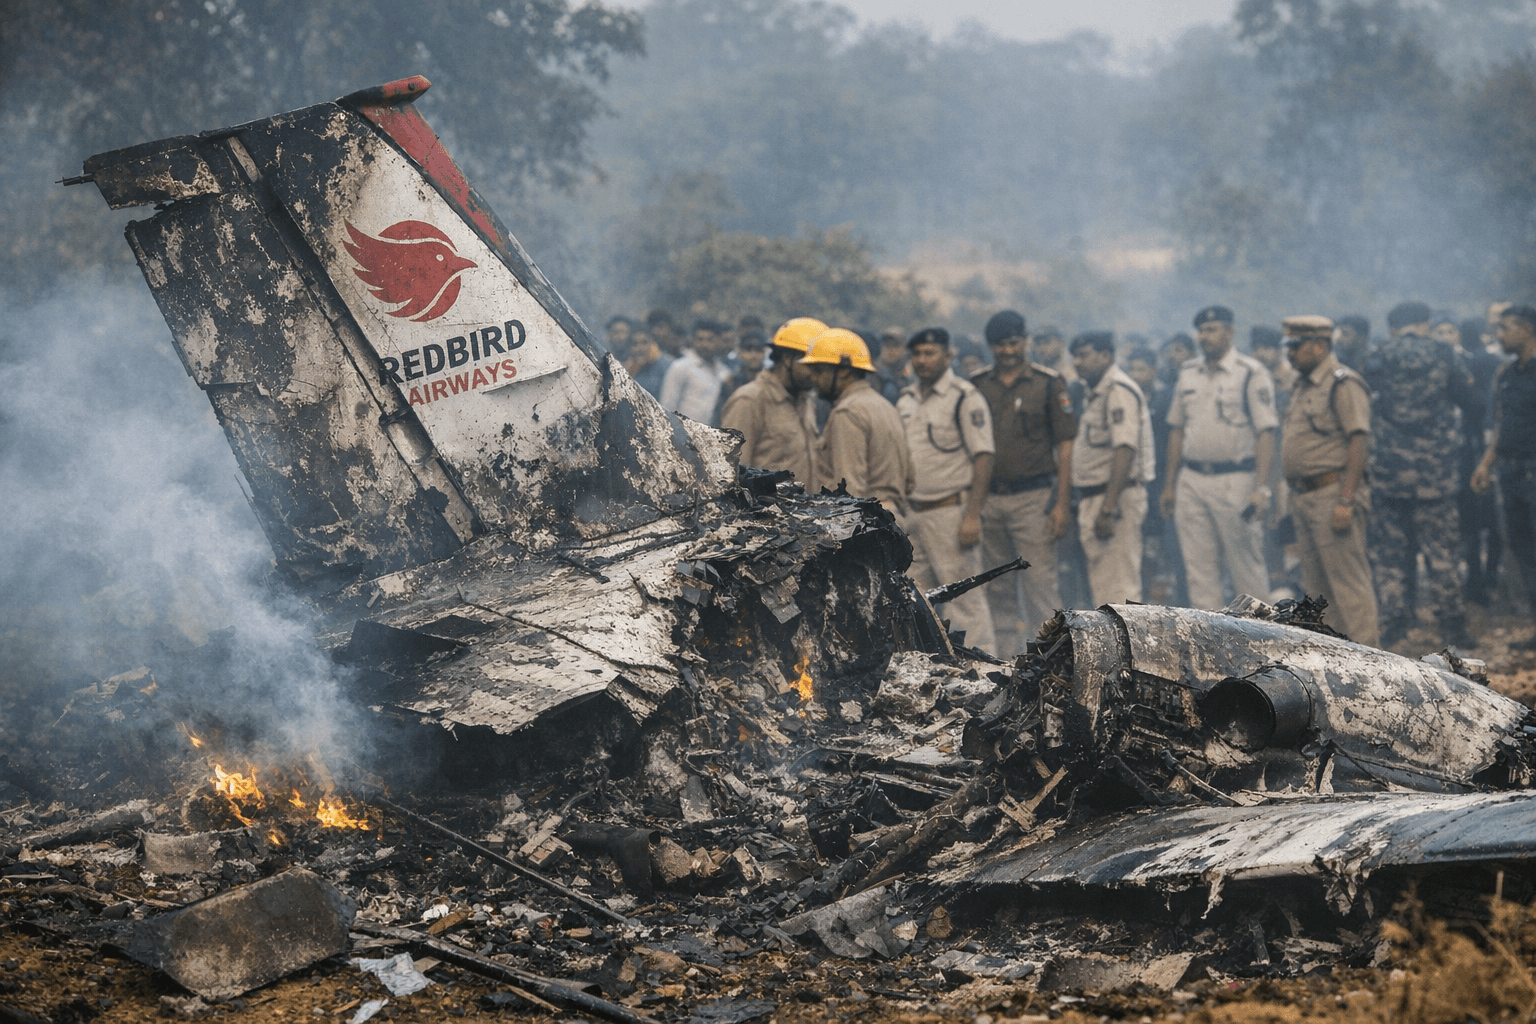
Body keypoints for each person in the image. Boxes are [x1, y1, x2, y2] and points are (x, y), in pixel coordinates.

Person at [1363, 302, 1479, 649]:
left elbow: (1364, 402)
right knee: (1442, 553)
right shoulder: (1443, 353)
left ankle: (1395, 626)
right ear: (1426, 324)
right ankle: (1453, 628)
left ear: (1394, 326)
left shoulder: (1378, 356)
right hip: (1435, 472)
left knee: (1390, 555)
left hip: (1388, 471)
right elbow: (1471, 402)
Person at [972, 310, 1076, 648]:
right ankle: (1003, 663)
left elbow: (1065, 446)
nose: (1007, 351)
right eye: (999, 345)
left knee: (1039, 585)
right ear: (991, 347)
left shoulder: (1048, 383)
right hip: (990, 499)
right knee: (996, 585)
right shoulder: (977, 385)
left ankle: (1048, 662)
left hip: (1033, 499)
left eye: (1013, 343)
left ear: (1025, 341)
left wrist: (1061, 503)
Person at [1161, 305, 1278, 610]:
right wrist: (1170, 484)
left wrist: (1261, 488)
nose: (1205, 336)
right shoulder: (1188, 372)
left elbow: (1266, 432)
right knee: (1199, 571)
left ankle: (1266, 644)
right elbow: (1176, 429)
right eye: (1201, 330)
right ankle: (1209, 645)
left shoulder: (1250, 372)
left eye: (1212, 330)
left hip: (1236, 479)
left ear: (1229, 332)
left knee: (1247, 570)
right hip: (1192, 479)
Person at [1280, 315, 1380, 646]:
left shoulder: (1343, 383)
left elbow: (1359, 441)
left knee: (1349, 586)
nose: (1289, 353)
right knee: (1318, 590)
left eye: (1295, 347)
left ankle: (1371, 661)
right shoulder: (1302, 384)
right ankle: (1336, 660)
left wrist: (1346, 500)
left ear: (1319, 346)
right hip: (1304, 496)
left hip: (1332, 493)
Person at [896, 327, 998, 652]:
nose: (922, 360)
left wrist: (972, 516)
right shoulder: (905, 399)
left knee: (964, 600)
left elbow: (984, 457)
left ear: (947, 356)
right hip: (912, 514)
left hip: (950, 511)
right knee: (915, 598)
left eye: (930, 353)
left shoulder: (965, 397)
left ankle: (984, 673)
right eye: (917, 354)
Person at [1069, 331, 1154, 606]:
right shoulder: (1094, 392)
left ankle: (1129, 649)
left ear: (1105, 356)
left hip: (1114, 498)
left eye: (1084, 355)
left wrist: (1108, 507)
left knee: (1119, 590)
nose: (1077, 362)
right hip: (1095, 496)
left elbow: (1125, 449)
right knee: (1104, 586)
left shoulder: (1118, 389)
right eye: (1075, 356)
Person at [1472, 306, 1536, 648]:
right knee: (1524, 551)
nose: (1499, 335)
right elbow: (1501, 424)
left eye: (1505, 328)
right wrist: (1486, 463)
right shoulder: (1506, 373)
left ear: (1526, 329)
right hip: (1511, 474)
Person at [804, 328, 913, 515]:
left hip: (863, 525)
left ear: (844, 371)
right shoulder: (886, 407)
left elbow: (849, 492)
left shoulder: (847, 413)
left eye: (820, 371)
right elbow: (910, 481)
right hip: (890, 519)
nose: (814, 378)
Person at [720, 318, 823, 485]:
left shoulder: (805, 399)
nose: (816, 375)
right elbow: (730, 477)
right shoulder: (749, 400)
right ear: (786, 358)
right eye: (811, 367)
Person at [1458, 316, 1503, 606]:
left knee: (1473, 524)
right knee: (1493, 524)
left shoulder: (1464, 365)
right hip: (1489, 450)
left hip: (1473, 451)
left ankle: (1478, 581)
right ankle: (1487, 579)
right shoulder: (1497, 363)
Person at [659, 318, 733, 425]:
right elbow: (667, 406)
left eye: (710, 340)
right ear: (693, 340)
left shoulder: (723, 371)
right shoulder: (680, 367)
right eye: (700, 339)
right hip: (683, 435)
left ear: (718, 341)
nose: (704, 344)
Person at [715, 329, 767, 420]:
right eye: (748, 350)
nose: (754, 355)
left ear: (764, 353)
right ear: (740, 352)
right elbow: (719, 417)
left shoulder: (773, 382)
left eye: (758, 350)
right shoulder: (730, 383)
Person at [624, 329, 671, 399]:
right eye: (635, 344)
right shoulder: (628, 370)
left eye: (644, 343)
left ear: (653, 345)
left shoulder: (666, 367)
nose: (640, 348)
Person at [875, 327, 912, 402]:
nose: (890, 350)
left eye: (895, 345)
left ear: (904, 349)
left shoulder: (910, 375)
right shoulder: (874, 374)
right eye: (886, 344)